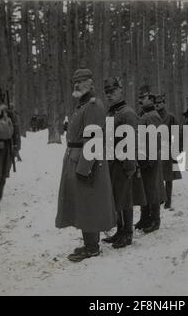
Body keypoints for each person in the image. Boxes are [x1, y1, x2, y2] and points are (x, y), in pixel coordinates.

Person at [56, 68, 116, 262]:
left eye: (82, 81)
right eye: (75, 81)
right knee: (83, 204)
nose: (77, 84)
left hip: (87, 161)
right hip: (77, 158)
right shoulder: (82, 105)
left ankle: (92, 247)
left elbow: (94, 139)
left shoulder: (93, 105)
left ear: (91, 83)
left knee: (89, 203)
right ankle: (89, 243)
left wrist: (84, 167)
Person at [102, 76, 144, 248]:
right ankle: (120, 230)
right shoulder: (111, 113)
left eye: (112, 91)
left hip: (123, 162)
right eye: (107, 92)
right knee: (117, 197)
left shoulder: (128, 113)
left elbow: (132, 141)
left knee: (125, 199)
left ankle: (127, 233)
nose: (109, 95)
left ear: (121, 91)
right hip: (111, 162)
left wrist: (130, 164)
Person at [135, 85, 166, 233]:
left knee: (153, 188)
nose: (140, 100)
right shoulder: (143, 115)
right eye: (139, 98)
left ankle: (155, 219)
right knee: (145, 188)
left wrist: (151, 158)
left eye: (144, 98)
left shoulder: (152, 115)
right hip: (143, 157)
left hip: (150, 158)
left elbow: (157, 138)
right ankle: (144, 218)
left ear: (151, 100)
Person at [154, 93, 182, 209]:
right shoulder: (153, 117)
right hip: (156, 149)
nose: (157, 105)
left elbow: (176, 133)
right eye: (155, 104)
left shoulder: (171, 117)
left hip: (168, 149)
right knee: (157, 176)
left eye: (159, 103)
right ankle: (161, 197)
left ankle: (168, 200)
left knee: (169, 176)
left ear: (164, 104)